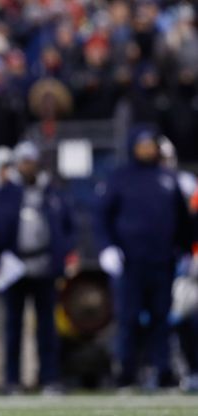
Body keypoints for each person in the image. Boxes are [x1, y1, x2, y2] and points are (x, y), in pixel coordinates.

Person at [96, 126, 192, 389]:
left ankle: (163, 371)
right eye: (143, 144)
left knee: (161, 318)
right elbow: (103, 216)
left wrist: (184, 250)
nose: (147, 149)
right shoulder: (120, 178)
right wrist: (107, 247)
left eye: (151, 145)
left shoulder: (168, 178)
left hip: (162, 260)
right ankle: (126, 372)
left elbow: (182, 220)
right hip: (131, 261)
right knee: (128, 318)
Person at [0, 141, 75, 393]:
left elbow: (68, 226)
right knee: (13, 326)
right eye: (24, 161)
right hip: (13, 265)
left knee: (47, 326)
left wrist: (64, 254)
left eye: (32, 160)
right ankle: (12, 380)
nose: (28, 166)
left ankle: (50, 378)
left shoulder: (52, 191)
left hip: (44, 264)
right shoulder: (4, 193)